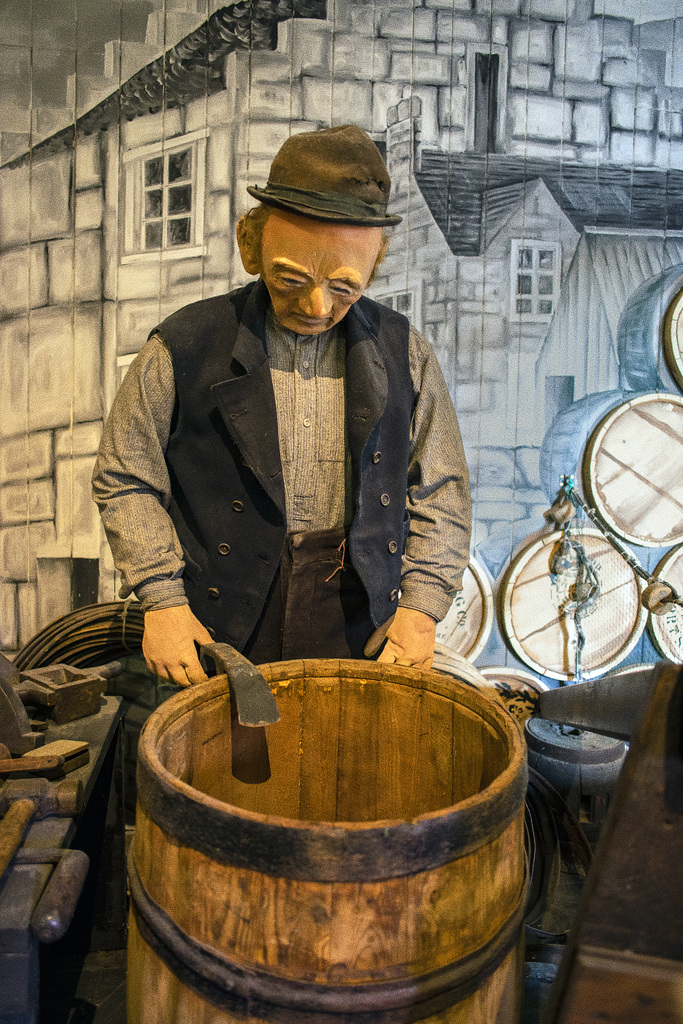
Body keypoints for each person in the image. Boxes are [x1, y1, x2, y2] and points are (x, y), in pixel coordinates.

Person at [92, 124, 471, 686]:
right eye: (290, 277)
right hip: (217, 621)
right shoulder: (183, 344)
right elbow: (125, 476)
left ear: (376, 264)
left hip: (359, 624)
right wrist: (163, 601)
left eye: (344, 286)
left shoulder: (404, 352)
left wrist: (420, 607)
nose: (316, 306)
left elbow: (442, 488)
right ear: (251, 244)